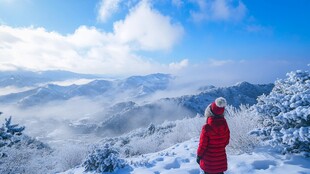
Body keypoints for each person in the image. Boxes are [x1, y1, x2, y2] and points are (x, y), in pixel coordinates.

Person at [196, 97, 230, 174]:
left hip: (208, 163)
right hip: (220, 161)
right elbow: (226, 141)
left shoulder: (206, 127)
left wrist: (199, 156)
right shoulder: (225, 126)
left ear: (209, 113)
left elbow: (202, 145)